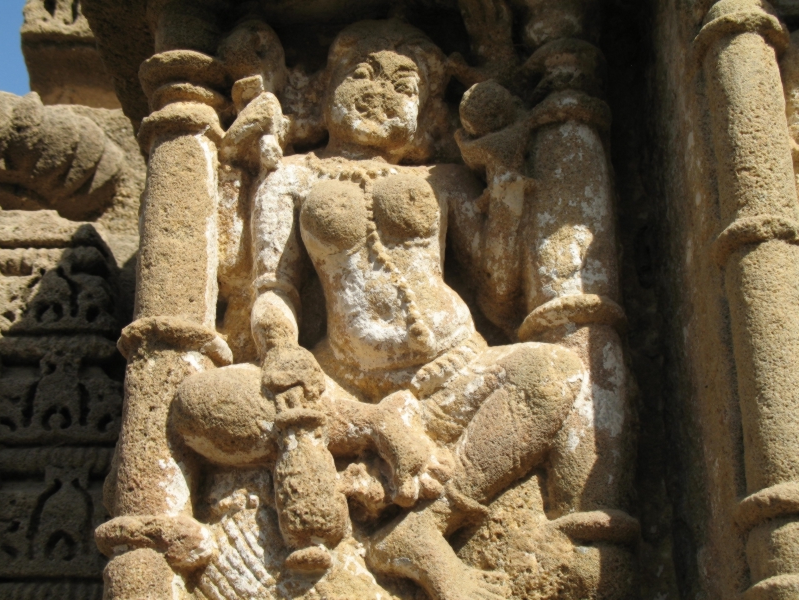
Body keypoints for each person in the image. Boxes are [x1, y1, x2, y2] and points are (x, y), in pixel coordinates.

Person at [174, 19, 583, 600]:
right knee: (201, 402)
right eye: (362, 73)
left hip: (453, 368)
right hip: (345, 382)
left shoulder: (440, 179)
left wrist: (507, 174)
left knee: (555, 372)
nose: (380, 91)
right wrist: (282, 350)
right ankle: (377, 427)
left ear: (423, 113)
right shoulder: (292, 176)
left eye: (403, 85)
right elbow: (274, 287)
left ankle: (425, 529)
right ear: (325, 88)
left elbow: (496, 289)